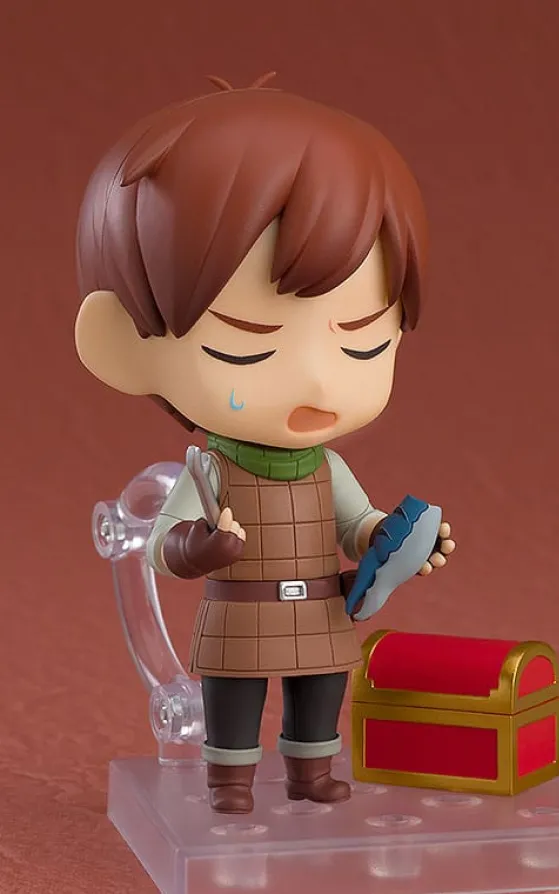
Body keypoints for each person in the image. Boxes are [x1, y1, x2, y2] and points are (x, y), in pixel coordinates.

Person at [74, 74, 455, 815]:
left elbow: (356, 524)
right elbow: (160, 549)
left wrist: (394, 540)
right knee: (235, 697)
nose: (316, 380)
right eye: (247, 347)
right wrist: (197, 547)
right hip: (241, 614)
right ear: (124, 346)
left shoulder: (328, 467)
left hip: (322, 612)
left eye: (362, 343)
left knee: (321, 693)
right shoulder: (210, 470)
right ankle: (229, 780)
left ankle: (311, 773)